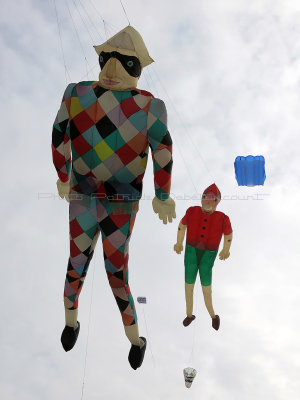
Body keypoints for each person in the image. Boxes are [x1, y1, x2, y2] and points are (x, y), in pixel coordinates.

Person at [52, 26, 176, 369]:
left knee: (115, 273)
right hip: (85, 194)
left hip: (116, 202)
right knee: (75, 266)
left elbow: (163, 150)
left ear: (138, 68)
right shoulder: (76, 94)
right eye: (106, 58)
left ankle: (135, 339)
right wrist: (63, 175)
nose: (111, 70)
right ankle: (71, 323)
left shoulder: (149, 107)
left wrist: (163, 194)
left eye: (124, 63)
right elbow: (60, 130)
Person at [174, 184, 232, 330]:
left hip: (208, 255)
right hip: (191, 253)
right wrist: (179, 243)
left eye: (213, 199)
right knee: (188, 287)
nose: (208, 201)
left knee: (206, 289)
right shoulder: (192, 211)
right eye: (206, 197)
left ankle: (213, 315)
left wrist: (226, 249)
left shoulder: (223, 218)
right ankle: (189, 315)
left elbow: (228, 234)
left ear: (218, 202)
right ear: (202, 198)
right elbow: (182, 226)